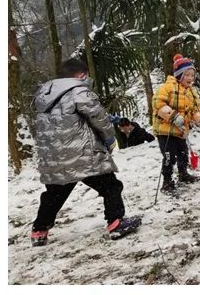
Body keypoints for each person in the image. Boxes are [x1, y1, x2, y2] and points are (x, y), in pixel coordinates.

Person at [30, 58, 141, 247]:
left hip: (54, 158)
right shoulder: (79, 91)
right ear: (82, 75)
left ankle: (39, 230)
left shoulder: (43, 96)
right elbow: (99, 118)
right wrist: (109, 139)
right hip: (83, 154)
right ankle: (116, 222)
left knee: (54, 194)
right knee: (110, 186)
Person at [152, 54, 200, 193]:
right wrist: (173, 116)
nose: (190, 78)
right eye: (187, 75)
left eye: (192, 75)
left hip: (181, 131)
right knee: (169, 156)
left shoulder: (192, 92)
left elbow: (196, 108)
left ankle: (183, 174)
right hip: (166, 131)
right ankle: (167, 181)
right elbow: (158, 103)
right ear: (179, 75)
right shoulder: (168, 87)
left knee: (183, 153)